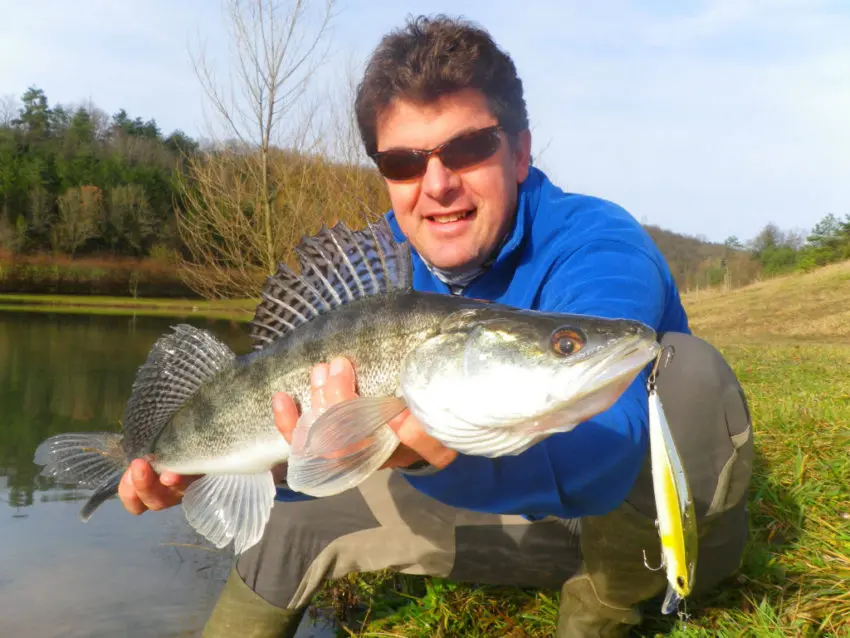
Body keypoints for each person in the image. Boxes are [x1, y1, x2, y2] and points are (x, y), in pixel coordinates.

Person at [118, 15, 753, 638]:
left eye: (470, 148)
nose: (438, 185)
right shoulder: (377, 270)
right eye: (402, 162)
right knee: (285, 523)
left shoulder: (599, 247)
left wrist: (423, 461)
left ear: (521, 151)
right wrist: (233, 466)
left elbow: (610, 451)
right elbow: (310, 449)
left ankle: (604, 608)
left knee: (686, 371)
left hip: (626, 528)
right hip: (485, 504)